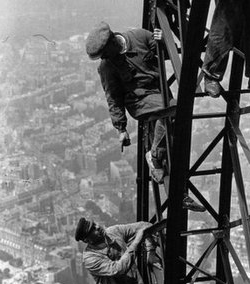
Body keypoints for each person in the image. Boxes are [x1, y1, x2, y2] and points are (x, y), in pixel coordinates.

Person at [85, 21, 205, 212]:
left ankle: (178, 193)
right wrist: (121, 129)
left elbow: (166, 55)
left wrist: (163, 41)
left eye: (104, 53)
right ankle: (155, 155)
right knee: (175, 113)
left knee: (173, 144)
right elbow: (113, 97)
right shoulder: (107, 67)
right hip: (139, 102)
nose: (104, 58)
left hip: (160, 94)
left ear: (113, 42)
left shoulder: (139, 36)